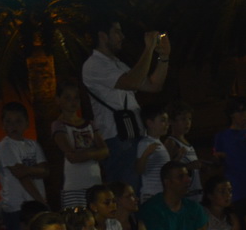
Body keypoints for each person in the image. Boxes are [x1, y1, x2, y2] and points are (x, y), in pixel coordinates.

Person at [81, 18, 170, 185]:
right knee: (127, 191)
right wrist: (148, 49)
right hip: (118, 139)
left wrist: (164, 57)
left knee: (143, 189)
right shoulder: (93, 65)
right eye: (117, 32)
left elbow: (154, 85)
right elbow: (132, 82)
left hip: (133, 134)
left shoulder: (117, 64)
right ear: (102, 36)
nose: (122, 36)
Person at [52, 82, 109, 209]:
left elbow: (105, 151)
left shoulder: (90, 124)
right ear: (58, 100)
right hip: (73, 186)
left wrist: (84, 154)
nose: (73, 102)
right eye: (67, 98)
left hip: (95, 184)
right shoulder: (59, 125)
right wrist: (94, 152)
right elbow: (72, 156)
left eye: (76, 98)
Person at [0, 102, 47, 230]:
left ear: (26, 124)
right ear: (3, 125)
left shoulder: (33, 145)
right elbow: (21, 175)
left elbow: (45, 170)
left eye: (18, 121)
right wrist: (41, 201)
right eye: (9, 121)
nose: (13, 126)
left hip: (34, 205)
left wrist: (27, 169)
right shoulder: (5, 146)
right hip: (16, 206)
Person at [133, 103, 171, 203]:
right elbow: (139, 170)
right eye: (163, 120)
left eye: (167, 120)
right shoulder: (145, 143)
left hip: (161, 194)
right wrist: (146, 153)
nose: (167, 124)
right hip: (151, 195)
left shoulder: (159, 143)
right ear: (150, 123)